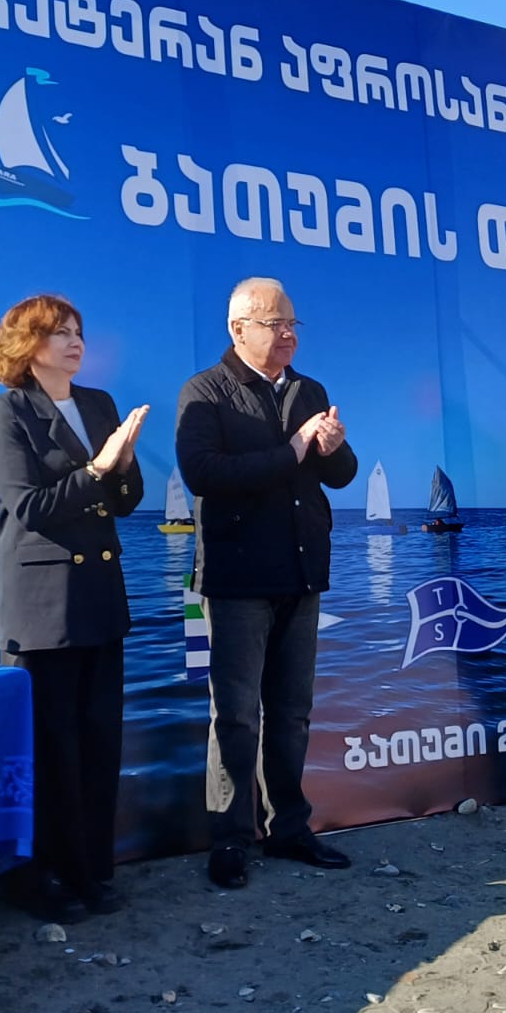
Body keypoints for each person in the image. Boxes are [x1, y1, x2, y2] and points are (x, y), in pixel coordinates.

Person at [176, 277, 358, 889]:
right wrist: (295, 449)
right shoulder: (205, 393)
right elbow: (203, 473)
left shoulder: (310, 390)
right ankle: (229, 839)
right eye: (274, 323)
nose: (287, 334)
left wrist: (330, 446)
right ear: (238, 329)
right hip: (237, 580)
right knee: (234, 715)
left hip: (302, 574)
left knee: (291, 713)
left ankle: (289, 828)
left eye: (292, 324)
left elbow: (340, 473)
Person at [0, 295, 147, 923]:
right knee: (49, 747)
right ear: (28, 343)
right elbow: (30, 507)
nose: (76, 342)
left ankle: (90, 871)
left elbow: (125, 501)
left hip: (101, 598)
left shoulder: (99, 405)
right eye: (60, 333)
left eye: (79, 331)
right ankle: (39, 876)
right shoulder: (6, 413)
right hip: (45, 607)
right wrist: (100, 467)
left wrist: (122, 467)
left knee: (99, 742)